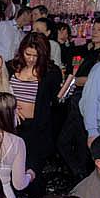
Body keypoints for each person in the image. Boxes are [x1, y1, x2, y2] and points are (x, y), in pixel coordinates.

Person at [9, 34, 62, 187]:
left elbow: (56, 103)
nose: (31, 59)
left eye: (36, 56)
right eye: (28, 54)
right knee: (11, 166)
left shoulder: (51, 72)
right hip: (12, 125)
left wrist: (63, 94)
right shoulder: (11, 67)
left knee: (32, 169)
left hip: (36, 127)